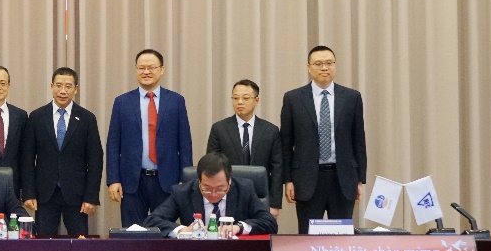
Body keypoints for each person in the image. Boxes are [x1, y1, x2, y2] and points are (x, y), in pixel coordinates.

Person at [279, 45, 367, 234]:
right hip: (307, 179)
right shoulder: (293, 98)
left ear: (335, 66)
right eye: (318, 64)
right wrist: (288, 180)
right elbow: (286, 144)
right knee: (307, 236)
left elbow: (359, 140)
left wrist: (360, 179)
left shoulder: (352, 97)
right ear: (309, 67)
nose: (324, 68)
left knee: (342, 238)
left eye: (329, 63)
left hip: (343, 178)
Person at [106, 49, 194, 227]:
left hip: (167, 180)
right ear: (135, 70)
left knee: (164, 231)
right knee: (132, 232)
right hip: (132, 180)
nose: (146, 72)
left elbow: (185, 143)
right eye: (141, 68)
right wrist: (113, 179)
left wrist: (185, 179)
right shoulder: (122, 102)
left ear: (161, 70)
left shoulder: (176, 101)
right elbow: (113, 144)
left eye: (152, 67)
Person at [20, 67, 104, 237]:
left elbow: (95, 160)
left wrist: (91, 197)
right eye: (58, 85)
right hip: (45, 194)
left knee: (79, 243)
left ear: (76, 89)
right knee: (44, 244)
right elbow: (27, 158)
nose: (63, 91)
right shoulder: (37, 117)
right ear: (52, 86)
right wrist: (28, 193)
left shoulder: (87, 118)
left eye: (68, 86)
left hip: (77, 195)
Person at [143, 152, 277, 237]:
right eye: (206, 188)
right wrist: (183, 230)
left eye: (220, 188)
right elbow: (151, 221)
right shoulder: (182, 193)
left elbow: (269, 222)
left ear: (229, 181)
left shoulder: (244, 189)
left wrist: (239, 228)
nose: (213, 194)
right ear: (199, 181)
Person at [205, 79, 284, 218]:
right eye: (235, 98)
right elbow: (212, 165)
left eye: (245, 98)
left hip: (260, 197)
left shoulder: (270, 130)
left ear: (256, 100)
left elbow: (277, 169)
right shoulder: (219, 129)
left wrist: (275, 204)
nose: (240, 102)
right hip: (227, 196)